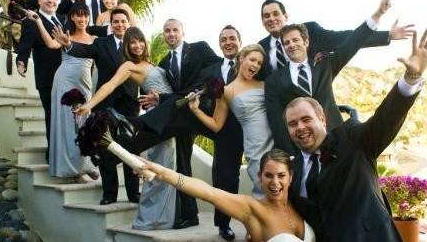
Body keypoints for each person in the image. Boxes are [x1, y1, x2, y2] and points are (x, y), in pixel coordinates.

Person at [285, 29, 427, 242]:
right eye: (292, 124)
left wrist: (410, 79)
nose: (300, 127)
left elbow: (384, 121)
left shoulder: (351, 138)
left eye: (306, 119)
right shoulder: (293, 170)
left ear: (322, 119)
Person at [74, 27, 176, 229]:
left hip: (169, 116)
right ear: (127, 47)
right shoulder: (129, 65)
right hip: (160, 121)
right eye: (132, 43)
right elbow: (109, 85)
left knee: (169, 165)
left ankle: (168, 213)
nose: (137, 45)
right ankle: (154, 216)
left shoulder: (153, 62)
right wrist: (90, 105)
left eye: (140, 41)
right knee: (161, 166)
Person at [265, 0, 391, 154]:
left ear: (306, 42)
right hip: (302, 146)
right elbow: (277, 122)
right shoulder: (274, 81)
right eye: (287, 43)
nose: (291, 45)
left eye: (295, 40)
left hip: (336, 139)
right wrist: (290, 155)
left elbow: (352, 43)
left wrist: (377, 15)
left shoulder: (325, 64)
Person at [134, 149, 315, 242]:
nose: (275, 182)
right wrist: (162, 172)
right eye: (268, 175)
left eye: (281, 175)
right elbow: (209, 193)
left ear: (290, 177)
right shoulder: (252, 208)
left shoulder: (299, 205)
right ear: (260, 177)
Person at [54, 8, 140, 204]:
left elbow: (145, 72)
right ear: (111, 24)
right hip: (105, 105)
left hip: (130, 107)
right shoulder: (101, 43)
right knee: (106, 150)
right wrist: (68, 44)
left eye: (123, 21)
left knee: (130, 149)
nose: (119, 24)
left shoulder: (136, 44)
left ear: (128, 23)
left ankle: (134, 194)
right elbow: (83, 50)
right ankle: (109, 194)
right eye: (115, 21)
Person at [141, 18, 220, 229]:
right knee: (183, 166)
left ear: (183, 32)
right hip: (184, 119)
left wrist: (204, 92)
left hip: (208, 113)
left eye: (175, 30)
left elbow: (218, 67)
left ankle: (222, 219)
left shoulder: (199, 48)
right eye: (167, 31)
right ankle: (189, 214)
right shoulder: (165, 63)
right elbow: (172, 94)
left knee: (223, 164)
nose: (171, 34)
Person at [188, 44, 274, 198]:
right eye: (252, 60)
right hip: (255, 146)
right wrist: (195, 110)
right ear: (241, 59)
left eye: (259, 63)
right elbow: (216, 125)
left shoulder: (265, 85)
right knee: (264, 190)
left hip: (274, 142)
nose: (255, 65)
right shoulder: (226, 91)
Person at [25, 3, 98, 181]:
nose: (82, 19)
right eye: (78, 15)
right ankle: (72, 170)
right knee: (67, 124)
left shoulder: (95, 38)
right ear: (72, 17)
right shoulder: (66, 35)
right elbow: (50, 44)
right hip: (64, 80)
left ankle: (85, 164)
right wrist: (39, 22)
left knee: (85, 123)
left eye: (85, 15)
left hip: (85, 82)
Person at [258, 0, 414, 78]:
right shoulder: (260, 49)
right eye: (266, 16)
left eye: (275, 14)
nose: (271, 19)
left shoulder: (309, 30)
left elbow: (344, 39)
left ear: (285, 16)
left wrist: (387, 35)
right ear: (263, 22)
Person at [198, 25, 245, 240]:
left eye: (232, 38)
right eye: (224, 39)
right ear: (220, 44)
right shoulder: (210, 71)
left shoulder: (252, 65)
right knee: (225, 179)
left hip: (252, 127)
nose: (228, 42)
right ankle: (224, 224)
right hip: (224, 130)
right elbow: (196, 92)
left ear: (240, 41)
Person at [16, 0, 66, 161]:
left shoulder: (62, 19)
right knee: (52, 115)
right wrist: (21, 61)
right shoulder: (31, 21)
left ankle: (66, 153)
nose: (51, 1)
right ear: (39, 0)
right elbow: (25, 44)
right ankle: (52, 154)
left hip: (66, 77)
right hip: (47, 77)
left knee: (65, 117)